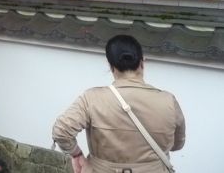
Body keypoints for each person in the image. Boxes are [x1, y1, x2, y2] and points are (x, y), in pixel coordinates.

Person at [52, 34, 186, 173]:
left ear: (111, 66)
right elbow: (177, 145)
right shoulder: (168, 101)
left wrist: (77, 154)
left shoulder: (91, 98)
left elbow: (61, 131)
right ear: (142, 62)